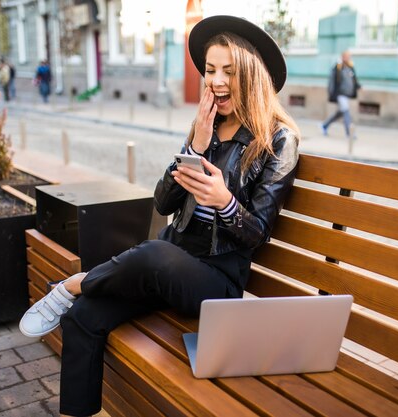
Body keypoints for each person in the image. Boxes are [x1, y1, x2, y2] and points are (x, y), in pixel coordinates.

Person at [19, 15, 300, 417]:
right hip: (166, 262)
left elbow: (257, 234)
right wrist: (196, 147)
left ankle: (74, 284)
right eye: (210, 71)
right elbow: (163, 203)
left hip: (215, 279)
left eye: (228, 72)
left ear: (252, 76)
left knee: (152, 253)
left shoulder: (278, 140)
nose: (215, 82)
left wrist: (225, 201)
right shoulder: (206, 126)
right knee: (83, 318)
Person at [321, 50, 361, 139]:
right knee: (346, 111)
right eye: (346, 56)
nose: (348, 58)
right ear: (343, 57)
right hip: (340, 94)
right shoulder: (338, 67)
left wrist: (358, 86)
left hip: (347, 95)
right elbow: (331, 81)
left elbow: (353, 80)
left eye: (349, 56)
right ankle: (349, 133)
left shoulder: (350, 67)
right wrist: (331, 93)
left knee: (340, 112)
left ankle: (324, 125)